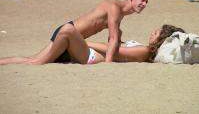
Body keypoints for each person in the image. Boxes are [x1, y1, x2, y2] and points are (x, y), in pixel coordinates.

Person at [0, 0, 153, 65]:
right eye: (142, 0)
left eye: (146, 2)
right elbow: (112, 38)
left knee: (31, 59)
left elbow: (116, 37)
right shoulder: (114, 7)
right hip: (67, 34)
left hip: (71, 40)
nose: (145, 4)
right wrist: (108, 64)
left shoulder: (119, 16)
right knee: (36, 62)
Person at [0, 24, 184, 65]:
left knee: (68, 30)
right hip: (86, 52)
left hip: (89, 56)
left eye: (157, 32)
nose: (153, 31)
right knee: (32, 59)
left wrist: (85, 42)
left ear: (161, 39)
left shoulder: (144, 51)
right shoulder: (143, 48)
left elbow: (116, 52)